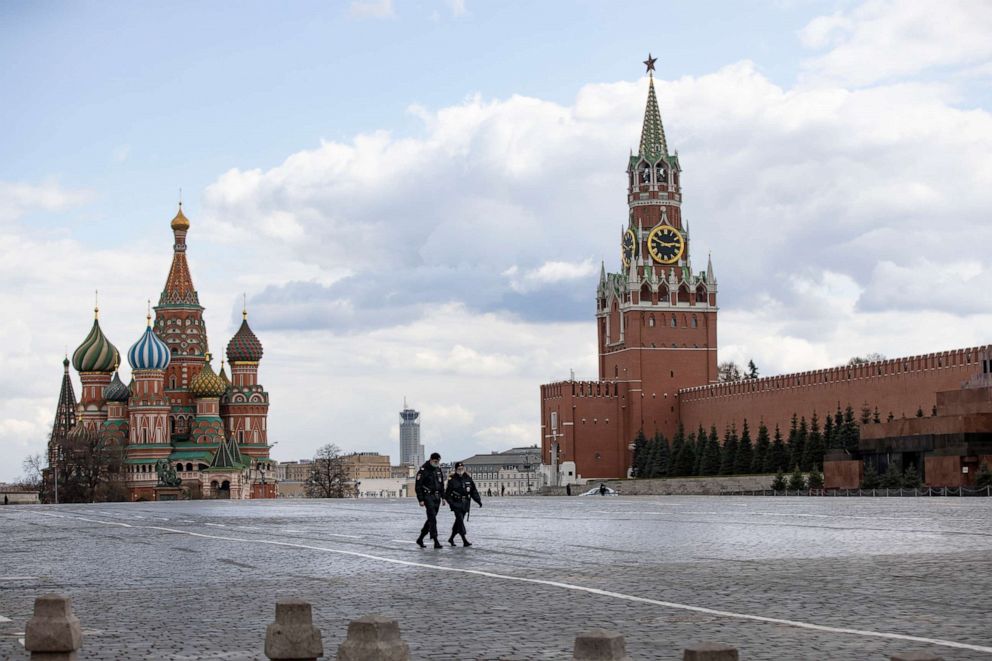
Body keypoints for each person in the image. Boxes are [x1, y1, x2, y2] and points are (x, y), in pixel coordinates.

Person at [444, 462, 482, 546]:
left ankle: (451, 538)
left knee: (458, 522)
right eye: (459, 469)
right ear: (456, 469)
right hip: (456, 503)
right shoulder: (452, 479)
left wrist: (478, 500)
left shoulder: (468, 478)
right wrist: (451, 503)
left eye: (462, 468)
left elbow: (473, 491)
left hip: (465, 504)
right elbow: (447, 494)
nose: (460, 470)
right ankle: (464, 540)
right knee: (460, 521)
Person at [415, 452, 446, 548]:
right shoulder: (423, 470)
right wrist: (420, 499)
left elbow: (441, 484)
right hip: (427, 497)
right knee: (432, 518)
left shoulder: (438, 469)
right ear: (431, 459)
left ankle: (420, 538)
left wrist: (443, 497)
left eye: (438, 461)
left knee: (430, 519)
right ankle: (435, 540)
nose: (437, 462)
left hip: (436, 497)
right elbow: (418, 486)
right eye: (436, 461)